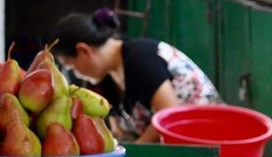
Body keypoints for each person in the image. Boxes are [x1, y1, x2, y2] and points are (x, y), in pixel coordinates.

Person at [51, 9, 218, 143]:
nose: (75, 73)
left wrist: (131, 155)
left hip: (208, 140)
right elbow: (119, 132)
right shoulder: (109, 78)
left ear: (83, 51)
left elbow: (168, 113)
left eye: (71, 66)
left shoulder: (141, 58)